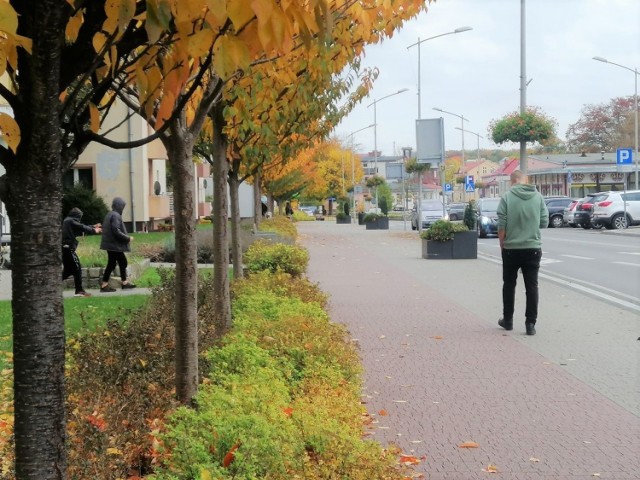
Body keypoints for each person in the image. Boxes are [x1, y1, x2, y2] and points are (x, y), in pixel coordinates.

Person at [496, 170, 549, 336]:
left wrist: (502, 244)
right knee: (532, 286)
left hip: (511, 248)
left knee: (509, 285)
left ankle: (508, 320)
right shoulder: (538, 197)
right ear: (525, 181)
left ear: (512, 182)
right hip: (532, 248)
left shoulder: (506, 197)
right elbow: (544, 222)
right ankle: (530, 324)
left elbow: (501, 225)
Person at [62, 207, 101, 297]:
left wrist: (93, 226)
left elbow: (80, 226)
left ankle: (51, 283)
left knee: (68, 271)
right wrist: (93, 230)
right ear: (77, 216)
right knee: (77, 268)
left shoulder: (68, 221)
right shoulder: (70, 221)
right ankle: (79, 290)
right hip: (68, 249)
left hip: (66, 249)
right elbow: (81, 227)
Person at [100, 197, 136, 292]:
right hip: (114, 245)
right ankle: (123, 283)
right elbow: (116, 230)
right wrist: (127, 238)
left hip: (110, 244)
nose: (122, 208)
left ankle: (106, 284)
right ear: (119, 206)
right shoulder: (116, 216)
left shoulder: (109, 214)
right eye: (122, 206)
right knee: (122, 262)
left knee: (112, 264)